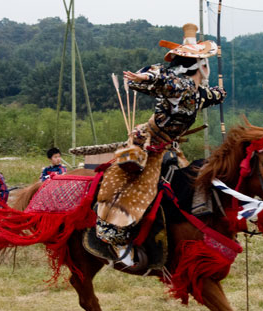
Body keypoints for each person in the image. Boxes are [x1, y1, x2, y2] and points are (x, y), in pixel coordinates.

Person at [95, 23, 226, 259]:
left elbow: (214, 95)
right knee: (137, 188)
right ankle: (118, 239)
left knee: (189, 182)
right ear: (201, 66)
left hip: (170, 146)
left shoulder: (196, 91)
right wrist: (146, 76)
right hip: (150, 144)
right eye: (206, 62)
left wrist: (220, 92)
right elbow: (160, 79)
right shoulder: (180, 86)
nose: (208, 66)